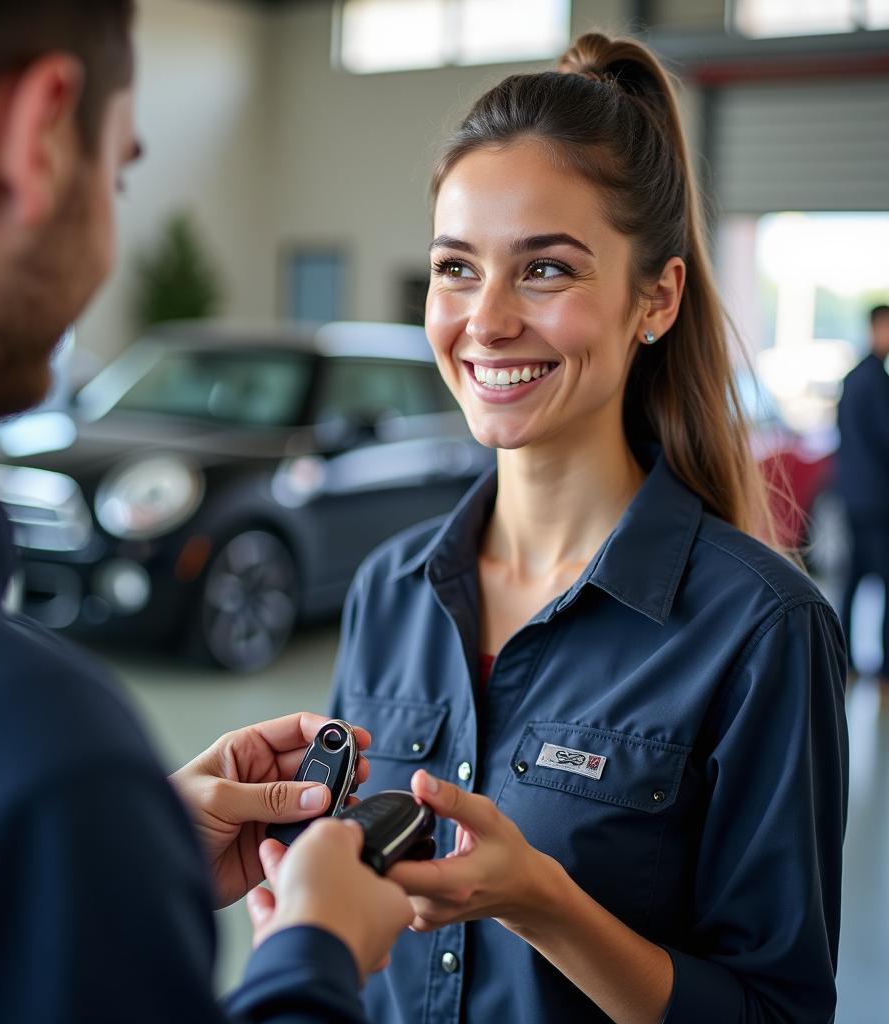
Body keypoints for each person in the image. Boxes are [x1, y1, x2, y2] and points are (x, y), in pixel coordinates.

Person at [0, 4, 412, 1022]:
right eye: (119, 170)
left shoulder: (41, 795)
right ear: (40, 135)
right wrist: (313, 952)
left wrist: (125, 834)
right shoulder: (37, 769)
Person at [324, 33, 848, 1024]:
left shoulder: (759, 632)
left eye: (546, 271)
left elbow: (776, 1013)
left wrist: (542, 903)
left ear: (655, 298)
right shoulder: (387, 592)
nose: (485, 320)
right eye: (454, 267)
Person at [836, 304, 889, 703]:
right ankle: (885, 668)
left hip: (854, 495)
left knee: (854, 579)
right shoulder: (874, 381)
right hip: (876, 499)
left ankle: (848, 661)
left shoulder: (854, 378)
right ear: (877, 327)